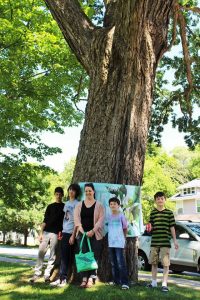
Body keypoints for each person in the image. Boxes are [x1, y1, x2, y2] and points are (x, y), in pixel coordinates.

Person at [30, 187, 65, 283]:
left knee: (52, 255)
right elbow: (44, 221)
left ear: (62, 195)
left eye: (60, 194)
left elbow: (64, 222)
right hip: (46, 232)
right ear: (54, 195)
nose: (58, 196)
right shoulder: (50, 206)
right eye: (56, 194)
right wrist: (40, 234)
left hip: (56, 234)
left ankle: (47, 274)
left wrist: (60, 233)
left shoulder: (64, 207)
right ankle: (37, 273)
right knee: (41, 252)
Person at [74, 183, 104, 288]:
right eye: (86, 191)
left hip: (95, 235)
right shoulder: (79, 205)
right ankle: (84, 279)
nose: (88, 193)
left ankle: (91, 278)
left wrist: (92, 231)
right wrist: (83, 232)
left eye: (90, 190)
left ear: (93, 191)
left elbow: (101, 220)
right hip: (82, 235)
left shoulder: (99, 205)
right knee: (84, 256)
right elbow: (76, 220)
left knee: (94, 256)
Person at [146, 191, 179, 292]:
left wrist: (175, 241)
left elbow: (172, 227)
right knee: (153, 263)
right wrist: (149, 228)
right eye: (158, 199)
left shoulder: (169, 213)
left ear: (165, 200)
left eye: (162, 198)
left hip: (165, 242)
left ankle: (164, 284)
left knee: (166, 264)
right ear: (155, 201)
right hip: (154, 242)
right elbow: (150, 227)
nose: (160, 200)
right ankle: (154, 282)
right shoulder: (152, 213)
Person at [50, 183, 81, 287]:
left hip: (71, 233)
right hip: (64, 232)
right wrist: (61, 231)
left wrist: (73, 235)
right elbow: (65, 218)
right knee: (63, 256)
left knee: (67, 257)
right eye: (70, 190)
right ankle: (61, 278)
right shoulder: (66, 203)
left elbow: (77, 222)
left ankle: (63, 279)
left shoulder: (77, 204)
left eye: (73, 190)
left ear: (76, 192)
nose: (71, 192)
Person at [107, 197, 129, 290]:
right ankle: (116, 281)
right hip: (111, 242)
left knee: (120, 263)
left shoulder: (121, 216)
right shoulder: (109, 216)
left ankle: (125, 282)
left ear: (118, 205)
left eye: (114, 204)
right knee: (113, 263)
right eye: (111, 204)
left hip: (119, 242)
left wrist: (124, 238)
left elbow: (125, 228)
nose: (113, 205)